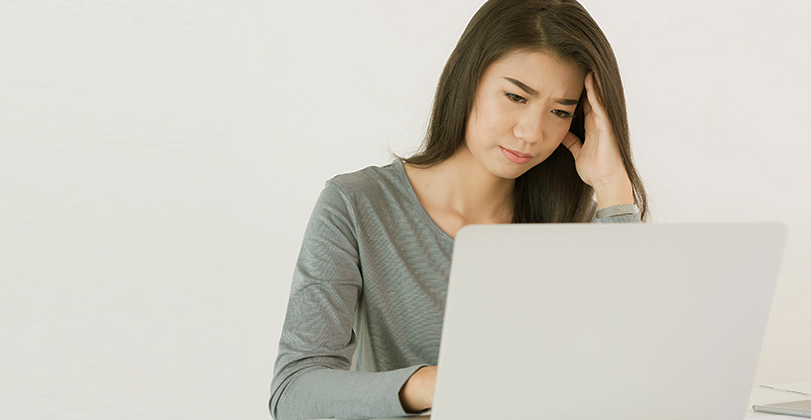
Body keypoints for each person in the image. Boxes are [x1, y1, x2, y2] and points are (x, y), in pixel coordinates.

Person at [267, 1, 649, 419]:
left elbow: (629, 373)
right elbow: (295, 392)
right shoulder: (358, 204)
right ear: (468, 79)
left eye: (560, 111)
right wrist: (441, 382)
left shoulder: (570, 226)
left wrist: (614, 189)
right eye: (516, 96)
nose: (531, 132)